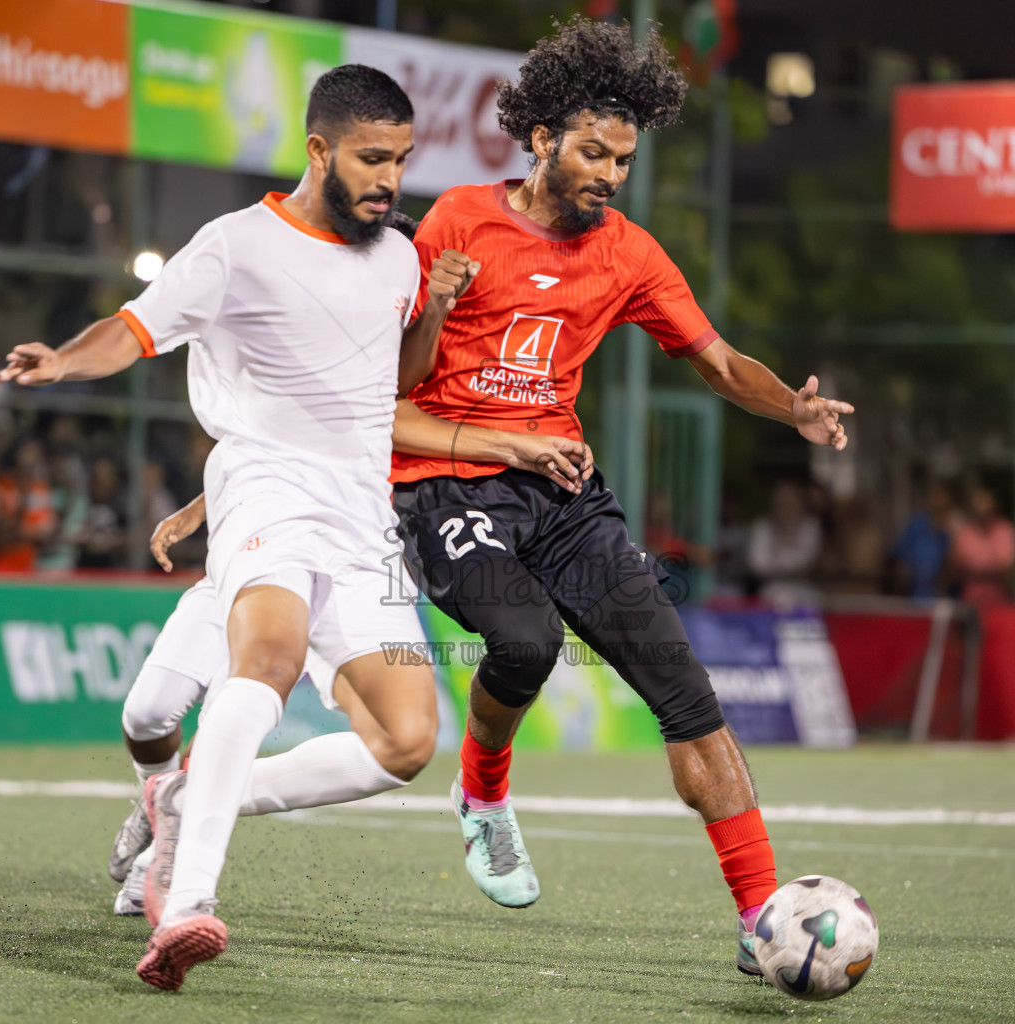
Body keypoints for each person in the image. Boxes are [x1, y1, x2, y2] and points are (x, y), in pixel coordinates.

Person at [0, 65, 476, 992]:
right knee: (267, 661)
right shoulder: (236, 245)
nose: (390, 179)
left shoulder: (403, 257)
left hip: (361, 514)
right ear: (319, 151)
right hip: (265, 486)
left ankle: (181, 798)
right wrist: (60, 361)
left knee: (406, 744)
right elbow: (133, 329)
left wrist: (439, 308)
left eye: (403, 162)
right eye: (373, 159)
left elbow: (396, 382)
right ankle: (187, 904)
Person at [388, 17, 850, 977]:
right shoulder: (457, 222)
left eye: (625, 158)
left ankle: (761, 914)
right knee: (525, 643)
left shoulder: (628, 252)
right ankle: (482, 795)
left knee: (688, 697)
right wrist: (435, 303)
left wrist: (790, 412)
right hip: (446, 482)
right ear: (543, 138)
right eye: (594, 152)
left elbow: (717, 360)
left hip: (565, 495)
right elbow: (393, 388)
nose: (610, 173)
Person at [106, 406, 597, 918]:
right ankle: (163, 806)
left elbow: (376, 431)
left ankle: (171, 852)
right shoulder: (291, 362)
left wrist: (513, 443)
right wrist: (203, 507)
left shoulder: (402, 371)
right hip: (259, 555)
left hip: (351, 571)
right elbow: (279, 432)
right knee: (148, 712)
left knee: (387, 740)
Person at [746, 479, 823, 608]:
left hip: (805, 589)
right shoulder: (763, 526)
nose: (785, 507)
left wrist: (775, 562)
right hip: (770, 588)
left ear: (799, 503)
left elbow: (807, 560)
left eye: (790, 503)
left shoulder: (811, 526)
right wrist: (788, 565)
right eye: (781, 503)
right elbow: (757, 564)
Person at [948, 484, 1015, 605]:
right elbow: (956, 571)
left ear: (994, 504)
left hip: (999, 603)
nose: (981, 507)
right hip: (969, 603)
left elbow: (1005, 570)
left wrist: (973, 569)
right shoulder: (965, 530)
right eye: (978, 501)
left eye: (984, 500)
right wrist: (988, 569)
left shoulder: (1005, 530)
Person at [893, 481, 953, 599]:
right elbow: (901, 558)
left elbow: (949, 565)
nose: (938, 501)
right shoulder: (916, 525)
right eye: (935, 496)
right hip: (914, 593)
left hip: (938, 594)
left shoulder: (947, 531)